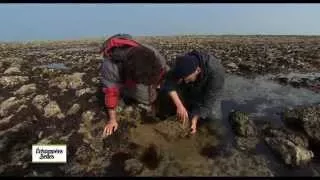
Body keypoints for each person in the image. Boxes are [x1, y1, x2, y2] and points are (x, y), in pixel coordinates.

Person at [100, 34, 168, 137]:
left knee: (151, 96)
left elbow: (163, 69)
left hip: (138, 72)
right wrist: (112, 120)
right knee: (145, 99)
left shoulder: (150, 53)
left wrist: (158, 84)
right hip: (124, 76)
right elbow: (111, 93)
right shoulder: (110, 66)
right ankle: (127, 91)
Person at [159, 50, 225, 134]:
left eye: (188, 78)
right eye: (183, 79)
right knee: (168, 94)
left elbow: (208, 103)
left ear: (197, 70)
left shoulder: (216, 72)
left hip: (209, 92)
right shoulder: (181, 64)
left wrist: (195, 119)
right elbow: (169, 82)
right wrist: (179, 105)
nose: (185, 81)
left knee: (213, 117)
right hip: (191, 87)